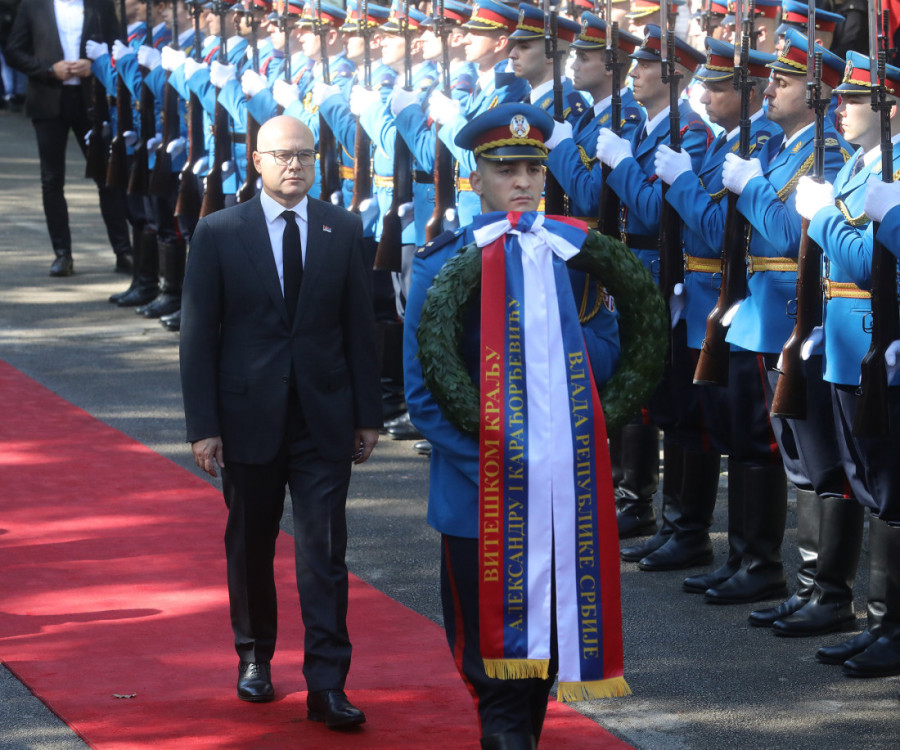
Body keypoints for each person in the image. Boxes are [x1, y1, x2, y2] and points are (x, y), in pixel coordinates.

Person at [404, 102, 625, 749]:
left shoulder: (573, 257)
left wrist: (580, 327)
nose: (523, 182)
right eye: (506, 170)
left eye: (533, 167)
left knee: (543, 669)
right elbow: (425, 396)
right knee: (497, 680)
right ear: (478, 179)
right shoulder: (441, 264)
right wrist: (507, 469)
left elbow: (607, 361)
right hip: (483, 503)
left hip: (563, 500)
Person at [179, 115, 381, 726]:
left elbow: (360, 328)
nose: (293, 165)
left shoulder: (342, 228)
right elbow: (198, 336)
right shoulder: (218, 231)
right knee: (250, 546)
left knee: (323, 553)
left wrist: (367, 413)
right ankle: (254, 658)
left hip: (323, 416)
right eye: (281, 155)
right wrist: (203, 424)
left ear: (316, 162)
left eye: (303, 155)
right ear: (256, 161)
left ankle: (327, 684)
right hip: (246, 417)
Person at [5, 0, 134, 276]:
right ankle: (62, 253)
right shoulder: (33, 6)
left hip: (92, 99)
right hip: (48, 98)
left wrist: (96, 64)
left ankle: (123, 251)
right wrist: (49, 69)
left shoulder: (99, 5)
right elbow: (14, 50)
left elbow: (118, 45)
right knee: (52, 179)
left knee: (106, 175)